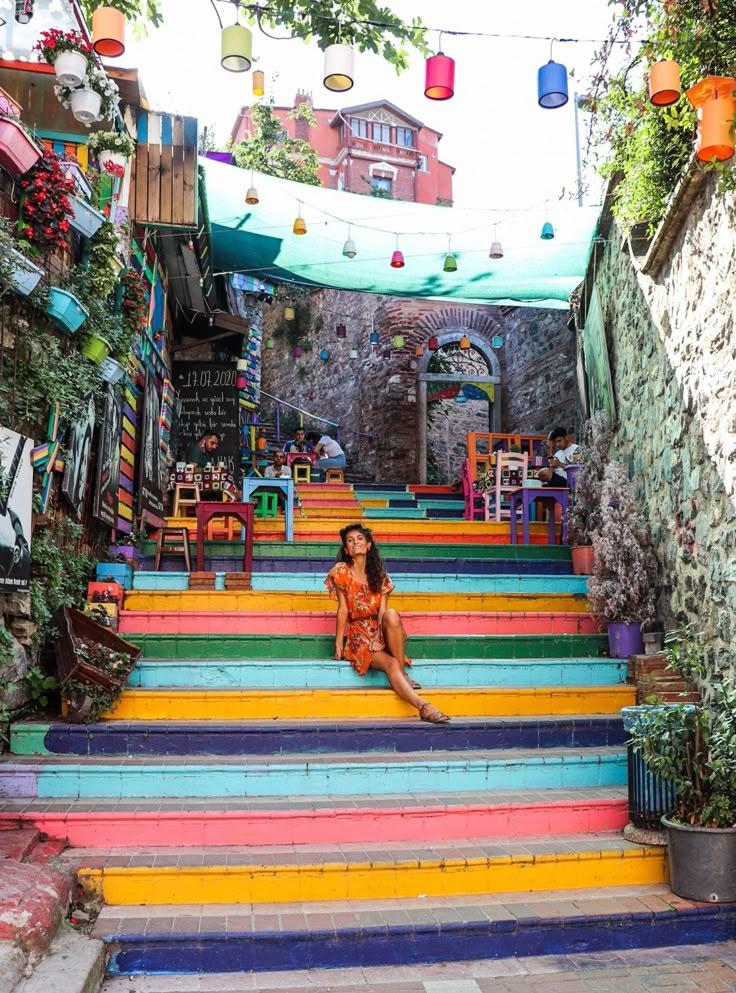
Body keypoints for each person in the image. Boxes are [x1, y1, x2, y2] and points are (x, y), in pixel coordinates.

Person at [325, 524, 450, 724]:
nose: (355, 542)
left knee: (392, 614)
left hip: (380, 631)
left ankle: (400, 672)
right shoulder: (342, 572)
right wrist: (339, 643)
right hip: (359, 636)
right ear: (346, 550)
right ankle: (424, 707)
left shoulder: (379, 575)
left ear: (368, 546)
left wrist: (378, 638)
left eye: (359, 538)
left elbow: (382, 612)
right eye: (350, 540)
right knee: (391, 664)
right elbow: (343, 609)